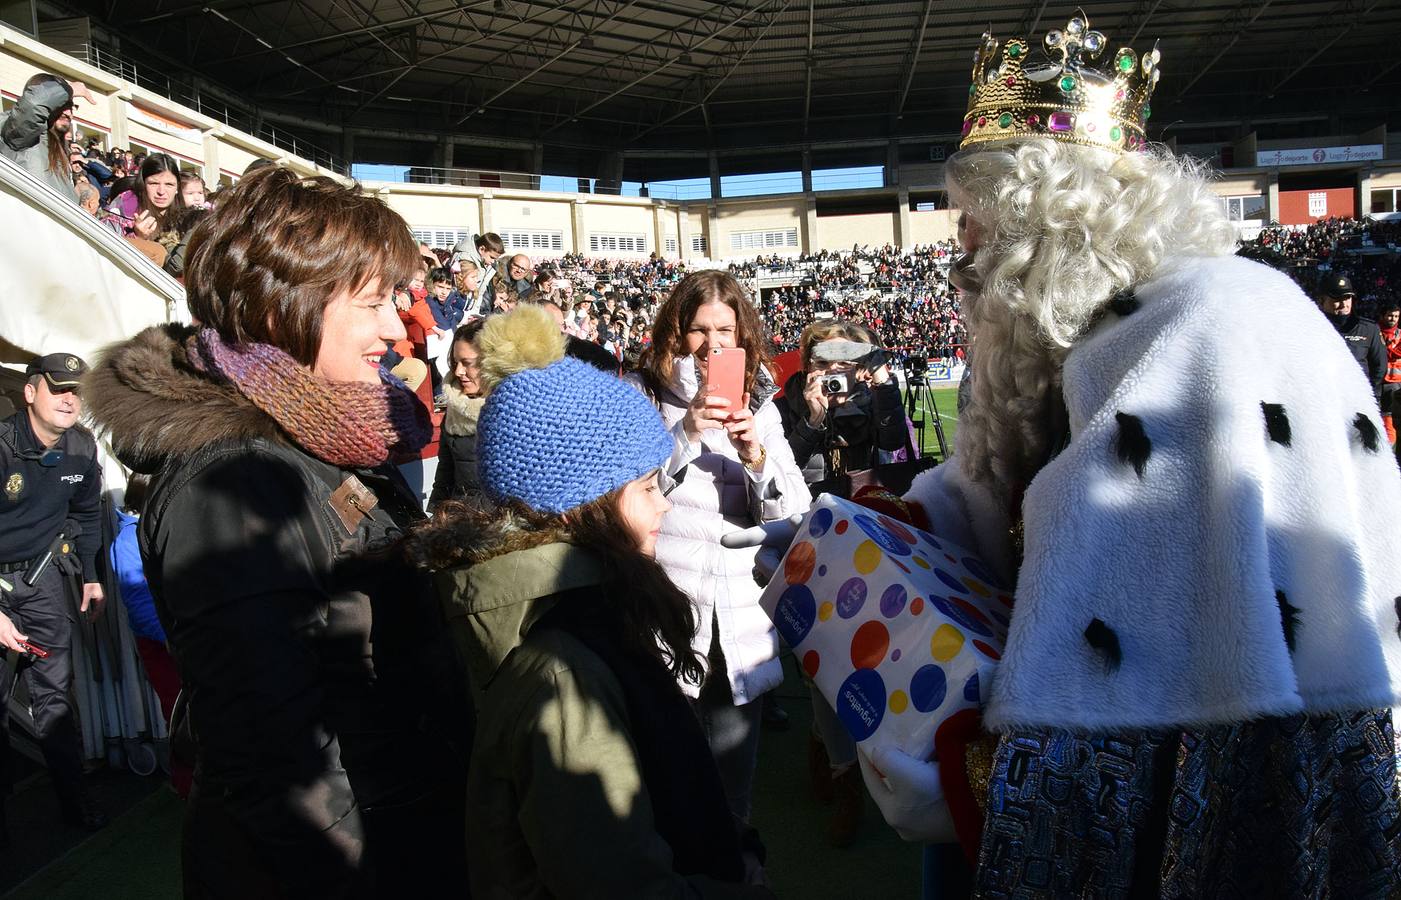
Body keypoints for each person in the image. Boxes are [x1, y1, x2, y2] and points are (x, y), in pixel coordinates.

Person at [732, 14, 1401, 897]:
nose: (959, 257)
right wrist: (901, 527)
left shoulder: (1197, 324)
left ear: (1043, 220)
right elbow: (1016, 495)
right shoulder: (1079, 335)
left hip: (1224, 768)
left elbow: (1139, 689)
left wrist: (987, 775)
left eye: (974, 224)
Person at [85, 166, 470, 897]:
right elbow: (278, 770)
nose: (396, 329)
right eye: (372, 303)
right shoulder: (231, 482)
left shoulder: (324, 438)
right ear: (285, 308)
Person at [409, 306, 772, 898]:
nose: (664, 506)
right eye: (647, 487)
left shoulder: (588, 621)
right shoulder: (563, 669)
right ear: (583, 506)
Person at [631, 270, 810, 823]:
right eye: (698, 329)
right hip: (667, 610)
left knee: (734, 786)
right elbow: (626, 501)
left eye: (725, 329)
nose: (713, 344)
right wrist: (684, 432)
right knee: (669, 779)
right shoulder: (644, 396)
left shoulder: (763, 406)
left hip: (741, 616)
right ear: (675, 332)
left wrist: (756, 454)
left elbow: (794, 516)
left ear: (743, 334)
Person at [0, 353, 108, 838]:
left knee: (55, 698)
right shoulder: (2, 446)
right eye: (59, 388)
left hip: (42, 580)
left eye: (77, 391)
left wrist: (89, 573)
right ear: (30, 392)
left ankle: (76, 805)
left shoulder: (82, 449)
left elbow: (87, 515)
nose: (70, 398)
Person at [778, 319, 908, 488]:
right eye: (822, 362)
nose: (833, 370)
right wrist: (813, 422)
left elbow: (893, 441)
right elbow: (781, 471)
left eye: (845, 363)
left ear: (858, 370)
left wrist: (883, 381)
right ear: (807, 368)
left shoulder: (870, 405)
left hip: (859, 505)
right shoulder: (782, 409)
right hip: (808, 507)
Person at [1, 73, 96, 200]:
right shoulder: (19, 132)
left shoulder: (57, 148)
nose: (68, 113)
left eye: (71, 106)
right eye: (62, 105)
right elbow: (34, 105)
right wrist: (69, 89)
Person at [427, 319, 486, 511]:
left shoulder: (520, 412)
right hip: (460, 518)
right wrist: (437, 514)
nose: (459, 371)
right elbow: (445, 470)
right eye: (455, 362)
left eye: (467, 363)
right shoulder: (455, 407)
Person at [102, 153, 186, 266]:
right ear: (143, 184)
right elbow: (104, 251)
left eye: (169, 184)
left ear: (177, 188)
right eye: (153, 183)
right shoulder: (121, 209)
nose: (161, 191)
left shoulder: (185, 215)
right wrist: (137, 237)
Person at [1316, 273, 1386, 397]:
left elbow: (1379, 368)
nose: (1344, 304)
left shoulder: (1368, 329)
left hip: (1359, 401)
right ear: (1322, 301)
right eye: (1337, 299)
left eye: (1347, 298)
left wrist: (1366, 396)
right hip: (1323, 400)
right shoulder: (1310, 328)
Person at [1380, 304, 1401, 446]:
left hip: (1394, 382)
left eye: (1396, 316)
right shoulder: (1375, 332)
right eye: (1390, 315)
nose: (1393, 319)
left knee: (1389, 415)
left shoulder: (1400, 334)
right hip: (1377, 380)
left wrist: (1383, 350)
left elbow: (1397, 353)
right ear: (1383, 315)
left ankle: (1390, 446)